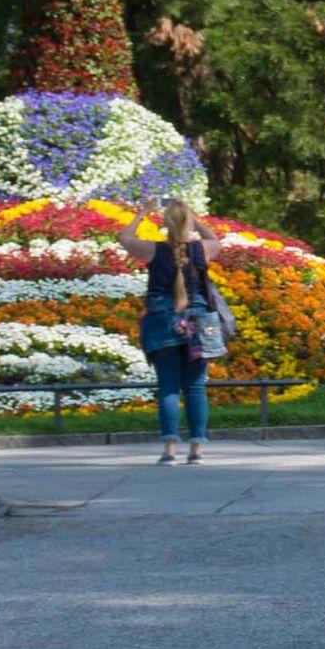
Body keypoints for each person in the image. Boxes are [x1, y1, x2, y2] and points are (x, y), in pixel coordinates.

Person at [137, 187, 229, 462]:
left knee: (168, 386)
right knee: (196, 386)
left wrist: (143, 213)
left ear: (165, 223)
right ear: (187, 222)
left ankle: (168, 451)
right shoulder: (202, 249)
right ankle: (196, 450)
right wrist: (194, 218)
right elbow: (215, 239)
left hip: (163, 322)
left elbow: (124, 237)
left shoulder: (153, 250)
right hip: (198, 322)